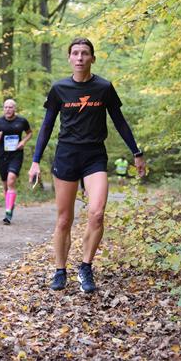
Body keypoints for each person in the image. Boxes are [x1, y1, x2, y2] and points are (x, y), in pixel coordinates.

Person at [28, 38, 145, 293]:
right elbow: (47, 126)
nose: (80, 57)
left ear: (93, 58)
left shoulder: (104, 87)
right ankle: (60, 270)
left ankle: (85, 266)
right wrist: (35, 161)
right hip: (66, 156)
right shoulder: (59, 88)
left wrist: (136, 152)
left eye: (84, 53)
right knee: (64, 219)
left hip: (94, 156)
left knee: (97, 213)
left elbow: (119, 121)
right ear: (69, 58)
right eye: (75, 53)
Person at [0, 99, 33, 225]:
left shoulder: (21, 121)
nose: (8, 109)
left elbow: (29, 133)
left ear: (14, 108)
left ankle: (8, 213)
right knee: (6, 185)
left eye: (10, 107)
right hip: (2, 156)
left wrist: (23, 142)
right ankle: (10, 205)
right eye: (6, 107)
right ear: (3, 109)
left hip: (16, 155)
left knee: (11, 180)